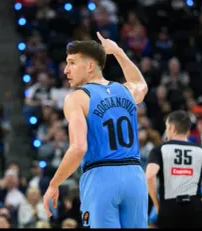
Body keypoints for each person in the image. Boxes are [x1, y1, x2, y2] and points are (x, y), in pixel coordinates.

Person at [42, 32, 149, 228]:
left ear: (90, 66)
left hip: (101, 177)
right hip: (135, 176)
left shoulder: (76, 98)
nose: (66, 70)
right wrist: (118, 52)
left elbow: (78, 148)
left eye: (72, 63)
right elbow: (142, 84)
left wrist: (53, 183)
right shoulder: (126, 90)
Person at [145, 110, 202, 228]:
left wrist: (157, 204)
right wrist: (200, 203)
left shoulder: (159, 150)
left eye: (167, 128)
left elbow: (149, 176)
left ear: (173, 128)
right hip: (194, 208)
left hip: (169, 207)